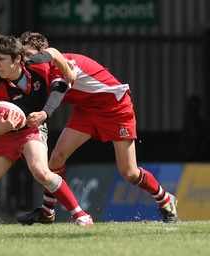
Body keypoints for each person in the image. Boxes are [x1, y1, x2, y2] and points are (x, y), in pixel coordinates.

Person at [16, 31, 178, 224]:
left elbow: (58, 91)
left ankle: (166, 200)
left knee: (129, 172)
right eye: (23, 56)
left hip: (116, 109)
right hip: (87, 111)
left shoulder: (65, 65)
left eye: (29, 55)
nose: (26, 61)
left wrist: (44, 113)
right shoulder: (37, 73)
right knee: (57, 157)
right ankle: (47, 211)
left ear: (43, 52)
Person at [0, 34, 93, 226]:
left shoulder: (37, 65)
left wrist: (68, 74)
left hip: (31, 130)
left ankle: (80, 214)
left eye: (1, 59)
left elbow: (55, 53)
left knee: (41, 171)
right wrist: (1, 128)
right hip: (2, 137)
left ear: (17, 58)